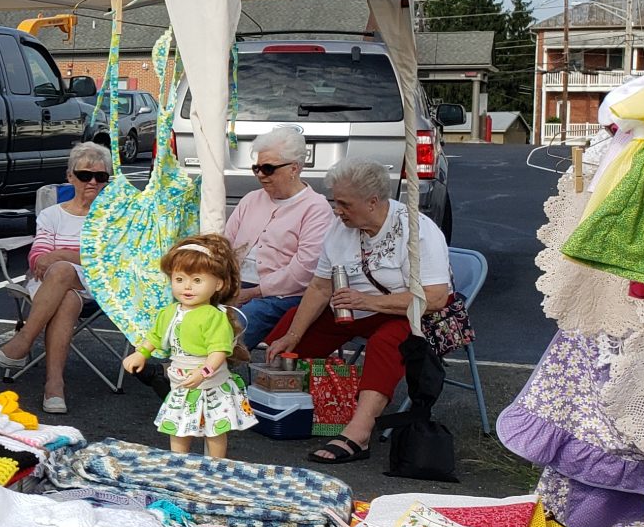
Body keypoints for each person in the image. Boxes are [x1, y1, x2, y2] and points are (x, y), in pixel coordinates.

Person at [265, 158, 453, 465]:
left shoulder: (417, 230)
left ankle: (359, 433)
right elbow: (320, 287)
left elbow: (435, 298)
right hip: (357, 307)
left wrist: (368, 302)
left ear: (373, 202)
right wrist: (293, 335)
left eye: (344, 204)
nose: (336, 210)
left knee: (386, 343)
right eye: (335, 202)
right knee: (291, 327)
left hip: (416, 312)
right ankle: (279, 407)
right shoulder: (341, 228)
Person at [0, 141, 115, 414]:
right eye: (84, 175)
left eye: (100, 176)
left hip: (96, 284)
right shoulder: (51, 214)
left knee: (63, 269)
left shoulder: (112, 218)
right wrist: (64, 259)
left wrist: (63, 254)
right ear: (70, 176)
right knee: (66, 295)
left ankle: (23, 342)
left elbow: (108, 261)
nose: (93, 182)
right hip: (49, 285)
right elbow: (39, 259)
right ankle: (54, 386)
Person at [124, 234, 254, 458]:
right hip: (181, 380)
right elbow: (155, 336)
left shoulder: (214, 316)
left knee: (215, 428)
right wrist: (141, 353)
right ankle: (178, 460)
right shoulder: (169, 312)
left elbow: (218, 351)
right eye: (179, 279)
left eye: (197, 280)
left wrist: (204, 372)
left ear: (218, 284)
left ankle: (216, 464)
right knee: (178, 425)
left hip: (210, 382)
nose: (187, 287)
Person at [223, 126, 331, 348]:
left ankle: (208, 365)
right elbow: (225, 245)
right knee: (190, 309)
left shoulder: (316, 208)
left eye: (268, 168)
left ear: (294, 168)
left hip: (283, 295)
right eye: (257, 168)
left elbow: (304, 271)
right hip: (237, 284)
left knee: (233, 326)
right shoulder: (251, 199)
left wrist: (254, 292)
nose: (261, 175)